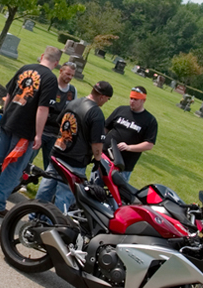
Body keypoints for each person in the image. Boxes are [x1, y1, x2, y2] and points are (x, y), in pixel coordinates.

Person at [0, 46, 61, 217]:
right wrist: (39, 134)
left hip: (8, 122)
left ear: (42, 56)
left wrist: (6, 113)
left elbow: (8, 95)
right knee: (13, 168)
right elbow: (42, 109)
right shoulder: (50, 79)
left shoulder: (25, 68)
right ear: (56, 63)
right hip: (25, 131)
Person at [35, 81, 113, 213]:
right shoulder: (96, 113)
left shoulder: (73, 103)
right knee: (64, 197)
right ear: (102, 97)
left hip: (58, 153)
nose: (106, 102)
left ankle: (33, 215)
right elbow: (97, 143)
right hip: (75, 161)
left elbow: (61, 122)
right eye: (108, 99)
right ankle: (54, 225)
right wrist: (98, 160)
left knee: (46, 187)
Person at [101, 86, 157, 183]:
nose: (132, 101)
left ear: (143, 100)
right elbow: (106, 127)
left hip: (123, 166)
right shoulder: (121, 110)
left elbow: (149, 144)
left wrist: (129, 147)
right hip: (105, 159)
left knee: (115, 195)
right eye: (131, 98)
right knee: (93, 189)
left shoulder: (150, 120)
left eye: (136, 99)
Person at [35, 60, 77, 169]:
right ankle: (20, 183)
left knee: (51, 165)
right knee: (27, 158)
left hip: (56, 134)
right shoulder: (50, 85)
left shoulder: (72, 91)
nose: (70, 77)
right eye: (68, 74)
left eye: (72, 75)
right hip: (41, 130)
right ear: (61, 71)